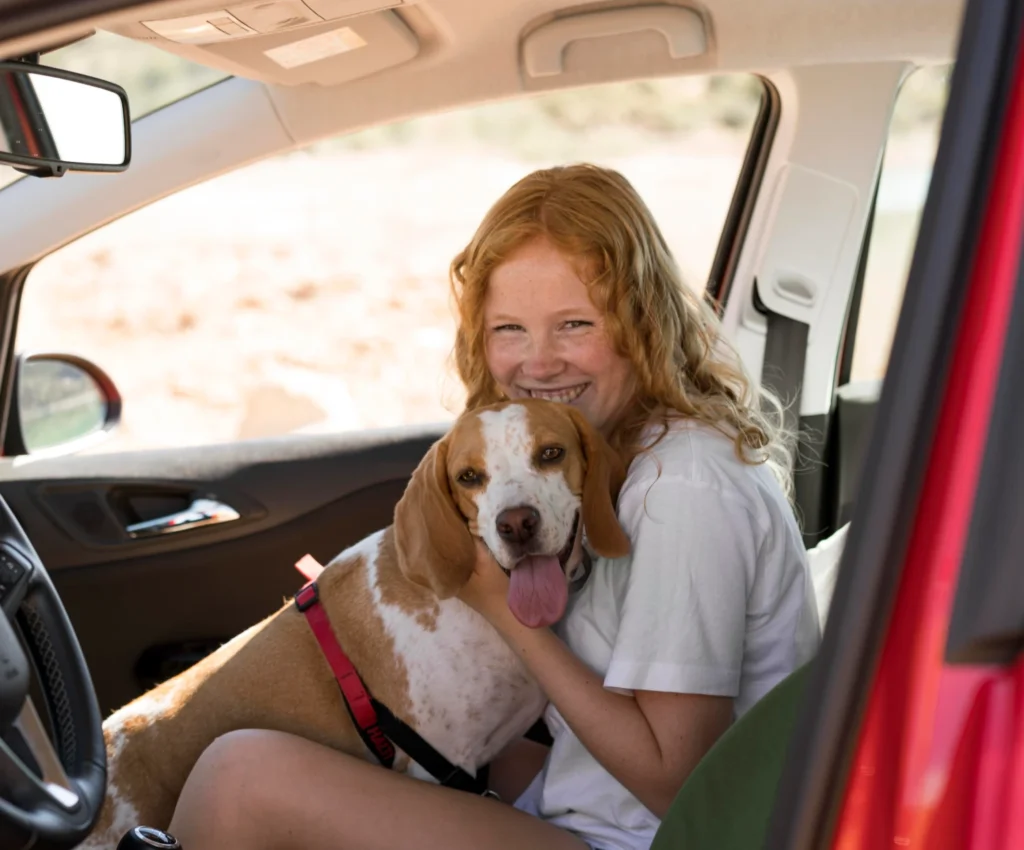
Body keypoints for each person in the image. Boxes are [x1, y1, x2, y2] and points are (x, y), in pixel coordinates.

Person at [167, 164, 821, 850]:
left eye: (574, 323)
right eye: (509, 328)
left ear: (641, 321)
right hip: (583, 814)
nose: (538, 365)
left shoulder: (680, 489)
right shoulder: (618, 464)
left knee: (240, 777)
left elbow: (679, 782)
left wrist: (502, 614)